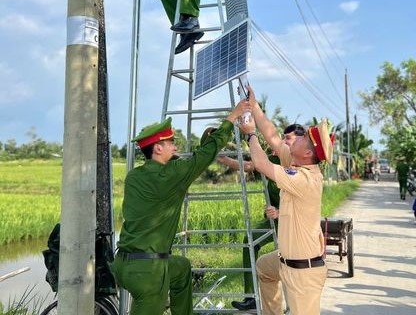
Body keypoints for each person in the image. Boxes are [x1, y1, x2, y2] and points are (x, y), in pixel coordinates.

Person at [110, 99, 249, 315]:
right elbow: (201, 158)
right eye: (171, 143)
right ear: (157, 148)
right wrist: (232, 117)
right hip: (148, 272)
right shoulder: (171, 175)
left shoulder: (134, 176)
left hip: (123, 265)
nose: (176, 147)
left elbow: (186, 162)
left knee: (181, 268)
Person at [239, 85, 332, 315]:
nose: (294, 139)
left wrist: (250, 134)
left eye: (302, 139)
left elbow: (261, 164)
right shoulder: (295, 162)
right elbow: (272, 137)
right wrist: (255, 107)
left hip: (303, 273)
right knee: (262, 268)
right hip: (285, 262)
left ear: (308, 153)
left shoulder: (304, 178)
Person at [217, 123, 307, 312]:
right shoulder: (274, 159)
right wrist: (224, 159)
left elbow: (304, 204)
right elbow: (250, 165)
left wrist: (281, 212)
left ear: (301, 142)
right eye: (283, 137)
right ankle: (251, 296)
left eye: (288, 138)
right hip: (274, 219)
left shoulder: (302, 167)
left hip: (295, 224)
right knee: (249, 242)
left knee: (291, 265)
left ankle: (295, 306)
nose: (282, 141)